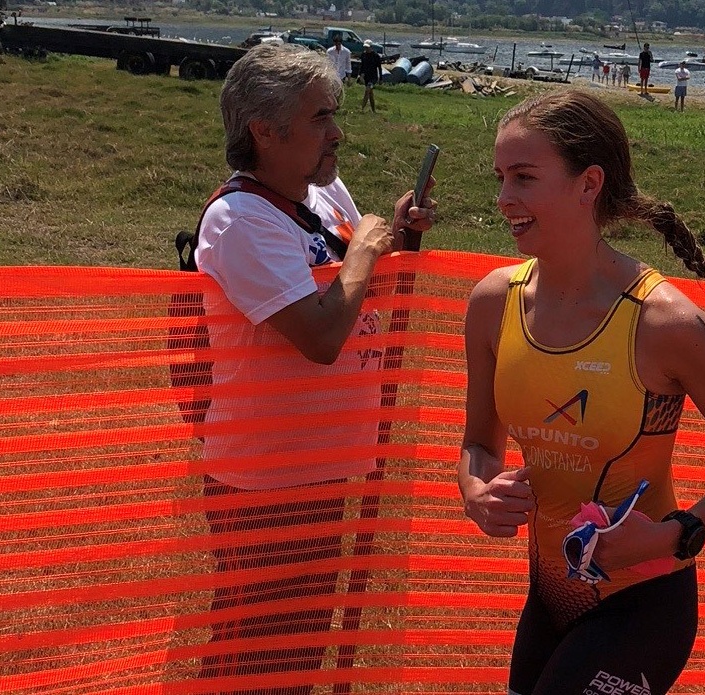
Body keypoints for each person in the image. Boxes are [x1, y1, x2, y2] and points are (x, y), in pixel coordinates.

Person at [461, 90, 705, 695]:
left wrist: (676, 532)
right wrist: (478, 492)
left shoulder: (667, 324)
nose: (505, 198)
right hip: (549, 597)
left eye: (526, 178)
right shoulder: (492, 303)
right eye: (501, 177)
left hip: (645, 601)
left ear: (589, 184)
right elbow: (479, 443)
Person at [192, 43, 435, 692]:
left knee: (301, 644)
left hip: (323, 463)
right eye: (321, 118)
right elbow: (323, 334)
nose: (338, 132)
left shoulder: (325, 198)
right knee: (261, 652)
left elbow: (360, 293)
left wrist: (399, 239)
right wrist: (364, 253)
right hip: (266, 477)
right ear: (264, 132)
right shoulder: (238, 219)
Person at [359, 39, 383, 113]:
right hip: (366, 77)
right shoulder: (363, 55)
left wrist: (381, 78)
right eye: (365, 47)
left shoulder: (376, 56)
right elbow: (362, 66)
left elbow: (379, 67)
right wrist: (360, 75)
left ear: (371, 47)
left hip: (373, 78)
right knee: (370, 94)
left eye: (368, 47)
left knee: (367, 91)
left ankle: (362, 109)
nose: (366, 49)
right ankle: (373, 110)